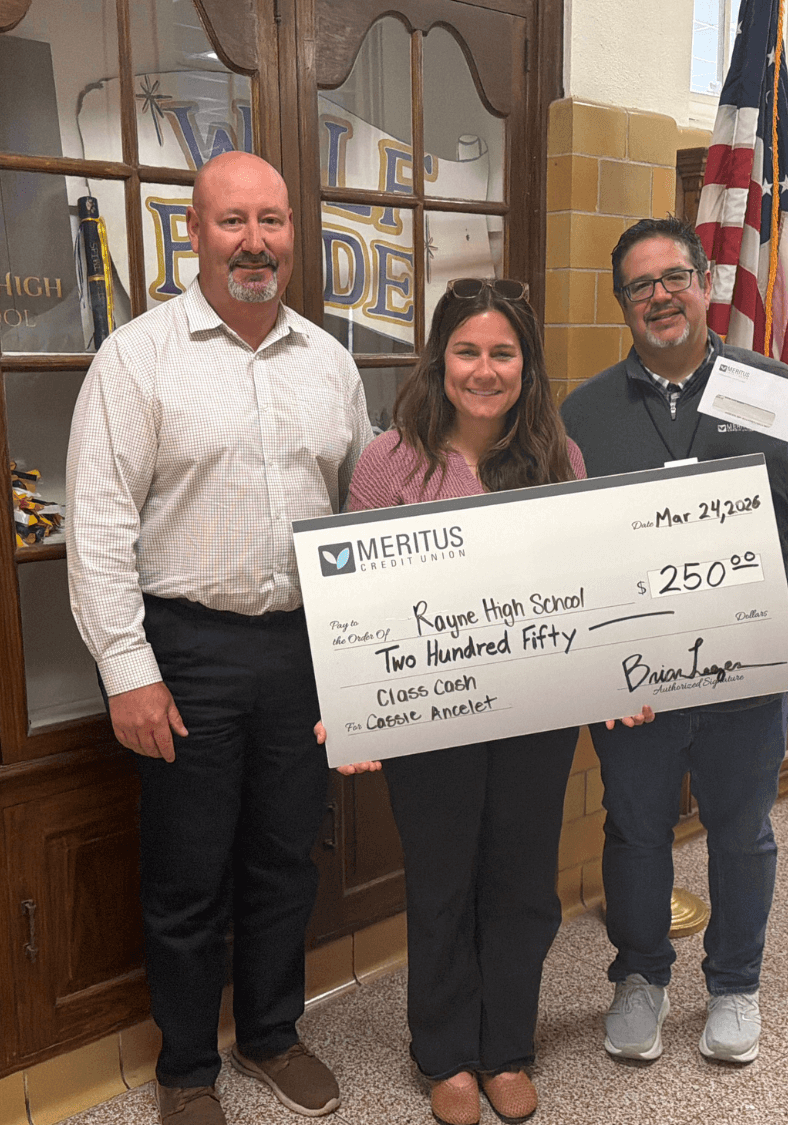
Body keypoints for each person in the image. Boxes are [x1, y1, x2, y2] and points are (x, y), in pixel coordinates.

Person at [66, 151, 374, 1125]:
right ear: (194, 233)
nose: (255, 241)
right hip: (186, 651)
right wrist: (127, 670)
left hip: (301, 651)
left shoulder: (328, 363)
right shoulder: (137, 359)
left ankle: (272, 1034)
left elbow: (361, 508)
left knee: (287, 857)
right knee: (188, 873)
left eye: (271, 221)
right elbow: (98, 525)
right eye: (232, 221)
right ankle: (188, 1068)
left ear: (293, 235)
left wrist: (364, 655)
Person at [321, 278, 651, 1125]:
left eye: (503, 352)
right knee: (441, 883)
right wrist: (347, 700)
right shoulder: (390, 460)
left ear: (526, 365)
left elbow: (580, 590)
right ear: (440, 359)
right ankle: (444, 1053)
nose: (484, 368)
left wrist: (612, 676)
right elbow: (354, 600)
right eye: (467, 350)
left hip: (535, 719)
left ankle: (506, 1046)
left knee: (523, 884)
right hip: (429, 720)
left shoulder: (560, 458)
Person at [559, 216, 788, 1067]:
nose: (660, 296)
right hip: (634, 682)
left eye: (675, 277)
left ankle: (736, 983)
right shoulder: (583, 413)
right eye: (640, 285)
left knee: (741, 832)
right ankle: (641, 975)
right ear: (623, 303)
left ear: (705, 284)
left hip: (746, 673)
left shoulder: (775, 391)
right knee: (633, 830)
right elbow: (565, 551)